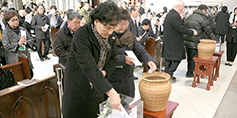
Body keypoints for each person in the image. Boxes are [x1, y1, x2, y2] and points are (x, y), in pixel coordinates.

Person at [62, 1, 121, 117]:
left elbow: (113, 59)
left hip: (97, 87)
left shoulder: (111, 37)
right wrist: (111, 91)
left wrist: (104, 72)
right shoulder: (82, 35)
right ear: (96, 21)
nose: (110, 32)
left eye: (113, 28)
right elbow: (88, 65)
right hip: (79, 86)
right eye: (107, 27)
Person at [108, 8, 157, 98]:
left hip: (127, 77)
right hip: (111, 77)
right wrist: (123, 59)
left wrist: (149, 60)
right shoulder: (107, 36)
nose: (123, 26)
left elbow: (140, 51)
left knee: (128, 102)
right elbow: (105, 56)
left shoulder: (130, 36)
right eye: (121, 23)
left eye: (126, 23)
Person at [162, 0, 197, 81]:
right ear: (178, 7)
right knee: (178, 58)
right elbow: (180, 28)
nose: (182, 10)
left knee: (168, 59)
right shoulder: (174, 15)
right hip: (174, 42)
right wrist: (192, 32)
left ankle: (168, 74)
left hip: (169, 40)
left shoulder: (170, 14)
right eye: (182, 8)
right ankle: (168, 73)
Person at [183, 4, 216, 77]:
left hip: (187, 40)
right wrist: (213, 39)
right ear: (204, 10)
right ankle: (193, 72)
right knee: (195, 57)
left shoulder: (189, 16)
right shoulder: (202, 18)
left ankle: (189, 71)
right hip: (196, 40)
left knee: (189, 57)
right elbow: (208, 31)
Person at [1, 10, 35, 78]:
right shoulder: (5, 32)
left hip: (24, 56)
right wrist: (18, 44)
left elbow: (31, 39)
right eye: (13, 20)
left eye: (17, 19)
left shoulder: (22, 29)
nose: (16, 21)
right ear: (7, 21)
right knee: (18, 78)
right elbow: (6, 46)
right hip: (13, 59)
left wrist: (25, 42)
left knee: (29, 76)